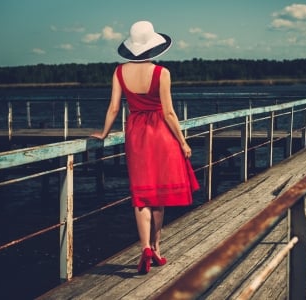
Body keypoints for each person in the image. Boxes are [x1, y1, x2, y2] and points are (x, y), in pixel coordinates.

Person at [91, 20, 199, 274]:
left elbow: (114, 108)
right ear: (153, 47)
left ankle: (144, 249)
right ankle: (157, 248)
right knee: (158, 194)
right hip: (161, 134)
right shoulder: (162, 73)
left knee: (141, 194)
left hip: (136, 134)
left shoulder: (118, 72)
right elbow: (170, 113)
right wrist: (183, 142)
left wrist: (104, 133)